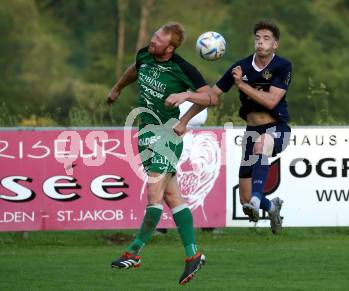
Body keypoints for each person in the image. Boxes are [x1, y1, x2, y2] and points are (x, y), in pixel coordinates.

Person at [106, 22, 211, 285]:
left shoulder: (183, 68)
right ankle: (193, 255)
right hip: (145, 135)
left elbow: (210, 97)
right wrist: (118, 88)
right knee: (172, 196)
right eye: (153, 36)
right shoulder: (145, 55)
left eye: (158, 39)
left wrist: (184, 112)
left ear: (170, 47)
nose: (152, 41)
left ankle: (134, 251)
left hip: (167, 134)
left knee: (153, 193)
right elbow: (135, 69)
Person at [169, 20, 292, 234]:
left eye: (266, 39)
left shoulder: (283, 66)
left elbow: (272, 101)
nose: (261, 42)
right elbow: (212, 96)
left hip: (277, 128)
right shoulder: (240, 67)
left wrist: (242, 85)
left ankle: (257, 198)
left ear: (275, 45)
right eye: (258, 38)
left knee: (262, 145)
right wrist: (184, 118)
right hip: (251, 132)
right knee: (244, 198)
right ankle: (271, 207)